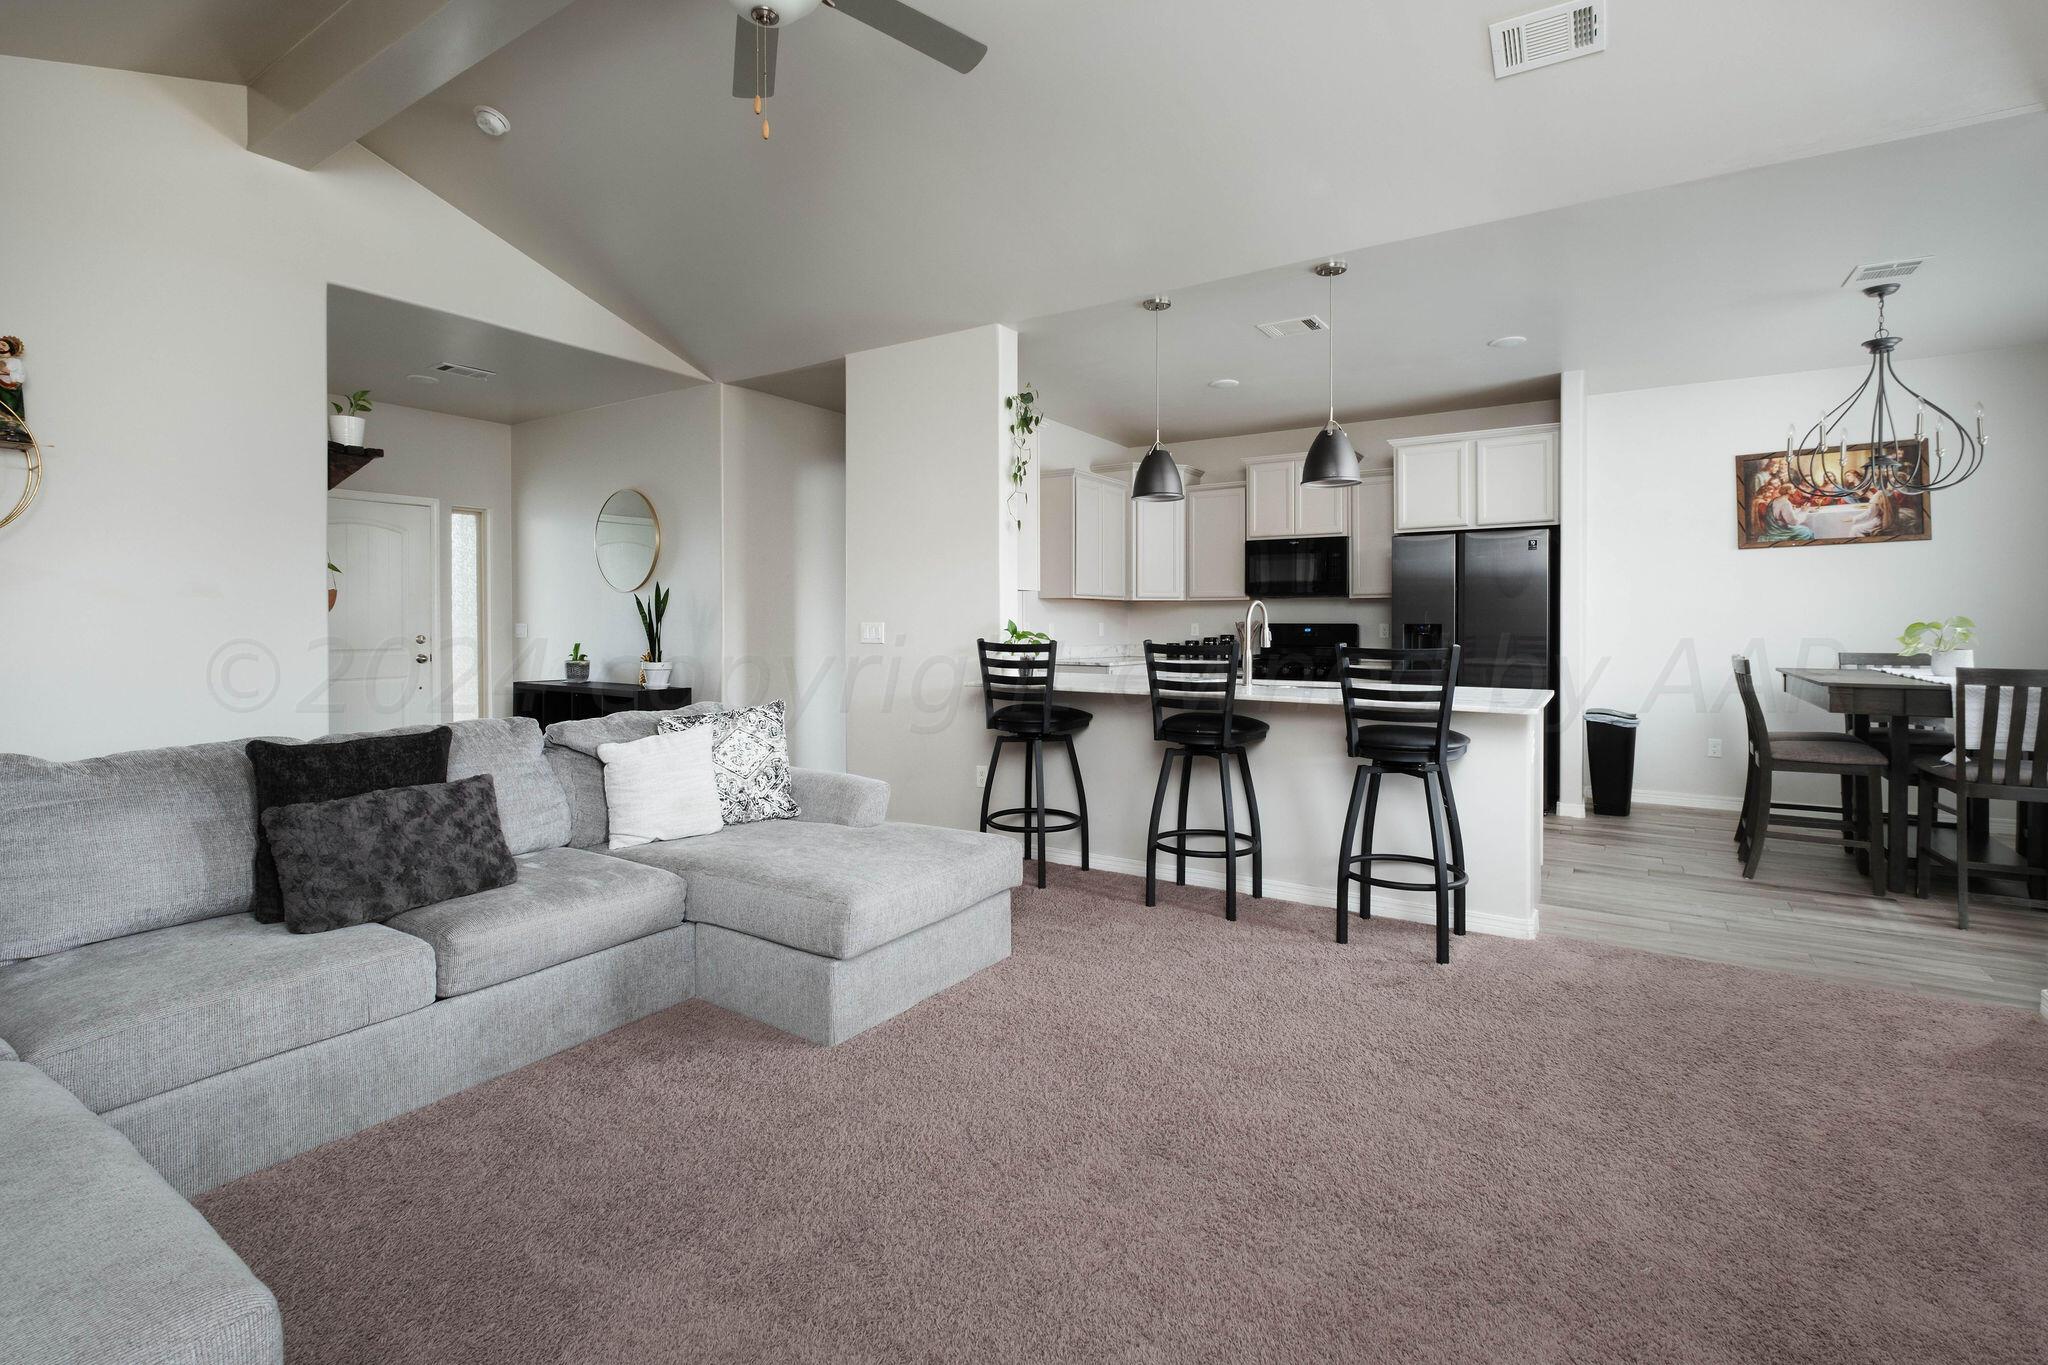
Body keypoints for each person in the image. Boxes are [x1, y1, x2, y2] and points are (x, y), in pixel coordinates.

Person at [0, 336, 25, 444]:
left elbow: (21, 377)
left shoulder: (15, 362)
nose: (0, 347)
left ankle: (11, 428)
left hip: (10, 391)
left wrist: (8, 372)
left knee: (9, 408)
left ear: (11, 348)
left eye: (3, 345)